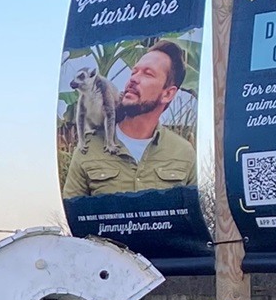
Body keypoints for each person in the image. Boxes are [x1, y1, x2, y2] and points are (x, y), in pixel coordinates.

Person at [61, 38, 198, 195]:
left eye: (148, 74)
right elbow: (73, 208)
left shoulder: (183, 153)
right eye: (134, 72)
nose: (133, 79)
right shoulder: (89, 148)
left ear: (168, 94)